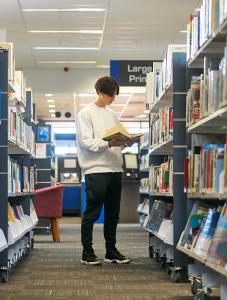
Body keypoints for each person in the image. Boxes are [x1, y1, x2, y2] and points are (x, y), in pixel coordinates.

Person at [76, 76, 131, 265]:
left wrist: (124, 142)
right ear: (100, 92)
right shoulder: (85, 113)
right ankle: (87, 252)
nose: (113, 99)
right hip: (95, 169)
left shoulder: (112, 114)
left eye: (115, 95)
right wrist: (108, 143)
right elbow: (87, 142)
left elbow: (114, 142)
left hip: (115, 168)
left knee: (112, 214)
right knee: (91, 213)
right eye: (111, 95)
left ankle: (111, 250)